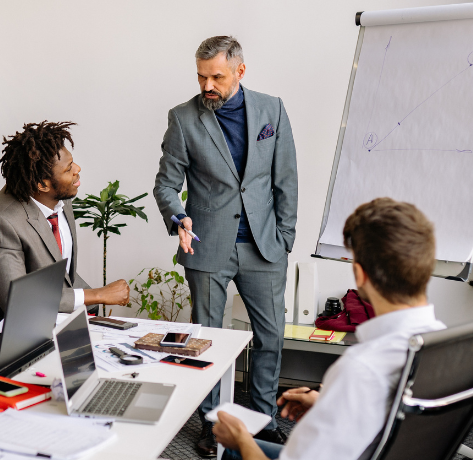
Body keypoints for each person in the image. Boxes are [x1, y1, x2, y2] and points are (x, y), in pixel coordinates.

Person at [213, 198, 447, 460]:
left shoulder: (360, 368)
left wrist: (242, 439)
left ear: (359, 275)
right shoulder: (448, 343)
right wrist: (331, 405)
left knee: (233, 449)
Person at [153, 35, 298, 456]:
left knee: (270, 337)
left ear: (240, 71)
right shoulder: (183, 118)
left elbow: (285, 178)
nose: (207, 86)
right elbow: (166, 183)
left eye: (217, 76)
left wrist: (285, 237)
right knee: (210, 341)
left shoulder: (272, 109)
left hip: (264, 245)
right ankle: (214, 425)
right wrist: (177, 217)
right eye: (201, 77)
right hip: (206, 245)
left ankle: (264, 422)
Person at [0, 121, 129, 313]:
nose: (77, 169)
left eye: (73, 162)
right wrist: (97, 295)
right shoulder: (1, 223)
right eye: (68, 168)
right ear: (42, 185)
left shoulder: (60, 197)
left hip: (60, 320)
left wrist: (93, 306)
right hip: (17, 329)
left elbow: (64, 276)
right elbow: (17, 299)